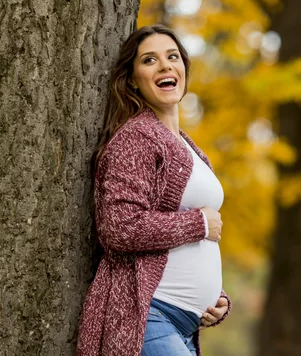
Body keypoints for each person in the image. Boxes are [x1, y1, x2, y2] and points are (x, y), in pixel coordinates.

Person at [76, 25, 231, 356]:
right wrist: (199, 224)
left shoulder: (187, 146)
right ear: (132, 79)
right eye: (150, 60)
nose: (165, 66)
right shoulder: (137, 138)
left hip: (185, 325)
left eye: (172, 57)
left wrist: (215, 299)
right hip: (148, 316)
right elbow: (119, 227)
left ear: (184, 69)